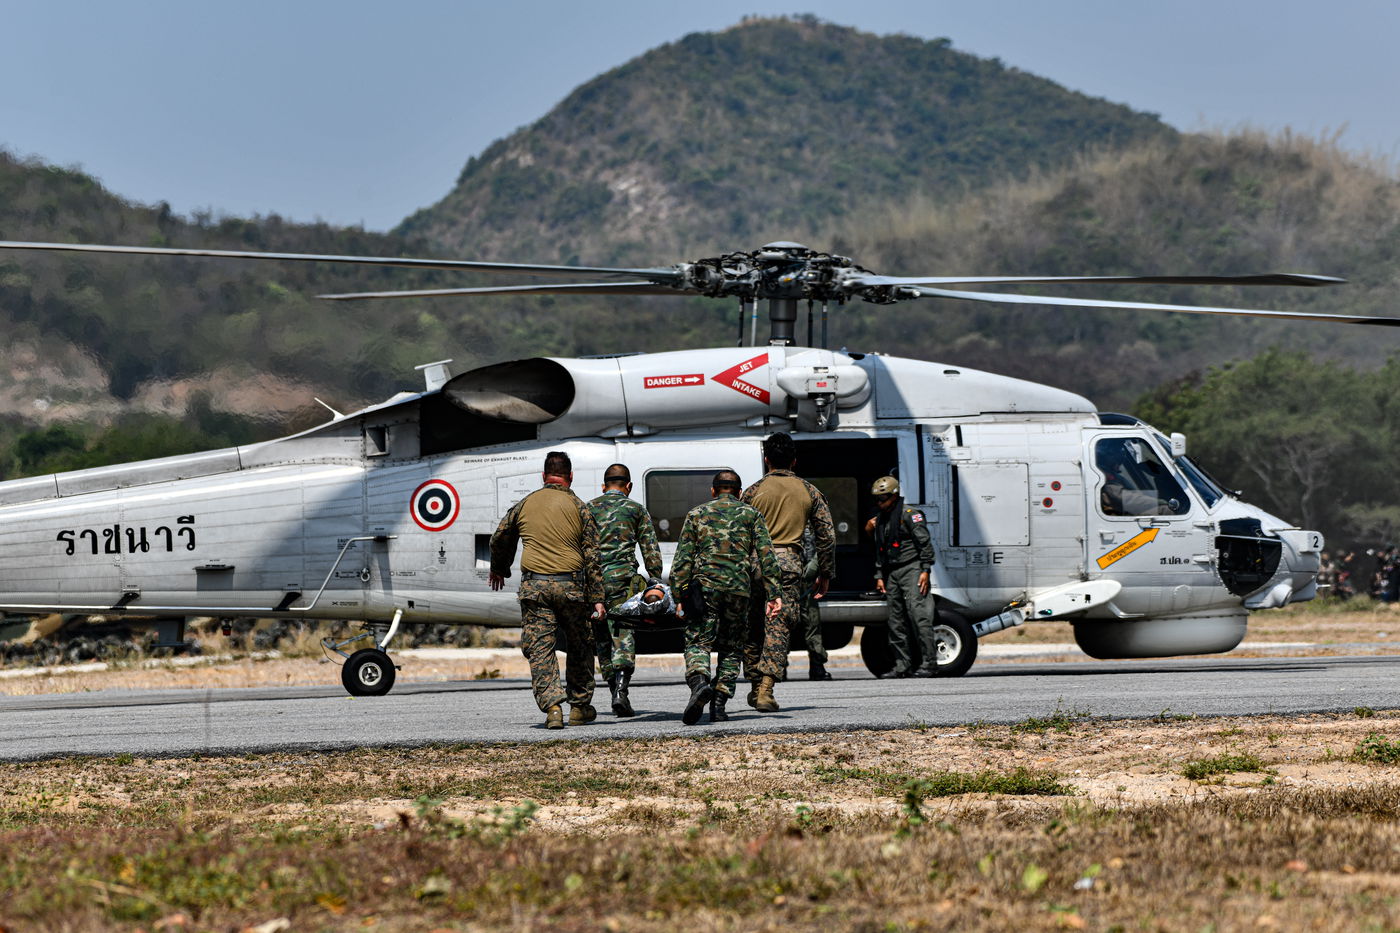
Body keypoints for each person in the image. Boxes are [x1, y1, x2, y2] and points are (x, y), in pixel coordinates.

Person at [489, 451, 606, 729]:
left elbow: (500, 537)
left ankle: (553, 708)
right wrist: (598, 598)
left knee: (541, 647)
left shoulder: (525, 504)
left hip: (535, 587)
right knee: (580, 645)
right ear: (570, 476)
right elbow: (593, 556)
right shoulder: (580, 507)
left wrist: (500, 568)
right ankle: (579, 707)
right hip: (571, 587)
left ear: (543, 476)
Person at [670, 469, 782, 725]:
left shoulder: (697, 514)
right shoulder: (751, 514)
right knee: (732, 647)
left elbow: (682, 559)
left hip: (705, 589)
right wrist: (774, 593)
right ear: (740, 492)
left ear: (713, 490)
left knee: (698, 641)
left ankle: (699, 683)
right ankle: (719, 704)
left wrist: (678, 594)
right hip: (738, 590)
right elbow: (767, 556)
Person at [741, 432, 835, 711]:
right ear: (794, 461)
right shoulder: (809, 491)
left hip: (754, 565)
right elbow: (827, 536)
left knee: (753, 626)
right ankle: (766, 690)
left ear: (766, 460)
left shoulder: (753, 492)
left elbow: (738, 532)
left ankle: (755, 685)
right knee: (778, 625)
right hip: (788, 566)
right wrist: (825, 572)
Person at [587, 463, 663, 718]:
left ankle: (613, 691)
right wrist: (655, 579)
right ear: (628, 486)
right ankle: (621, 691)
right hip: (623, 581)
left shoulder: (588, 509)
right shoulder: (636, 509)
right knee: (623, 634)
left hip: (594, 582)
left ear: (604, 486)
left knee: (602, 638)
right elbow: (650, 547)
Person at [871, 475, 938, 678]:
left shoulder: (910, 515)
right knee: (895, 621)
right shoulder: (881, 519)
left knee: (919, 616)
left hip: (912, 568)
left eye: (883, 498)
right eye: (877, 499)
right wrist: (879, 575)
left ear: (894, 496)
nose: (879, 503)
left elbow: (924, 543)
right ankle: (902, 666)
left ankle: (929, 663)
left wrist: (925, 570)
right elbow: (880, 549)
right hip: (892, 572)